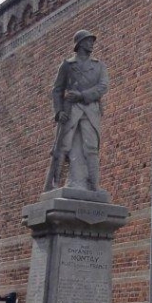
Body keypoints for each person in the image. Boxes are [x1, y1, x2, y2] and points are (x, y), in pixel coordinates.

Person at [44, 30, 109, 191]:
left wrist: (82, 95)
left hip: (90, 110)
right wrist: (58, 112)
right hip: (70, 110)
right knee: (62, 147)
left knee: (92, 148)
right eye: (88, 41)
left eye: (92, 41)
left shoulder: (99, 66)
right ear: (79, 44)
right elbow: (57, 90)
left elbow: (103, 87)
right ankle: (53, 185)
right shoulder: (67, 65)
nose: (91, 43)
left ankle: (94, 185)